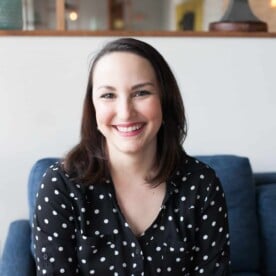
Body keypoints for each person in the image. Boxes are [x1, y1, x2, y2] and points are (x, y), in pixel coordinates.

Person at [32, 37, 231, 275]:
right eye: (108, 95)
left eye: (141, 93)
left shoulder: (202, 185)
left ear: (165, 101)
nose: (125, 112)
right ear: (93, 107)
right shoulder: (61, 185)